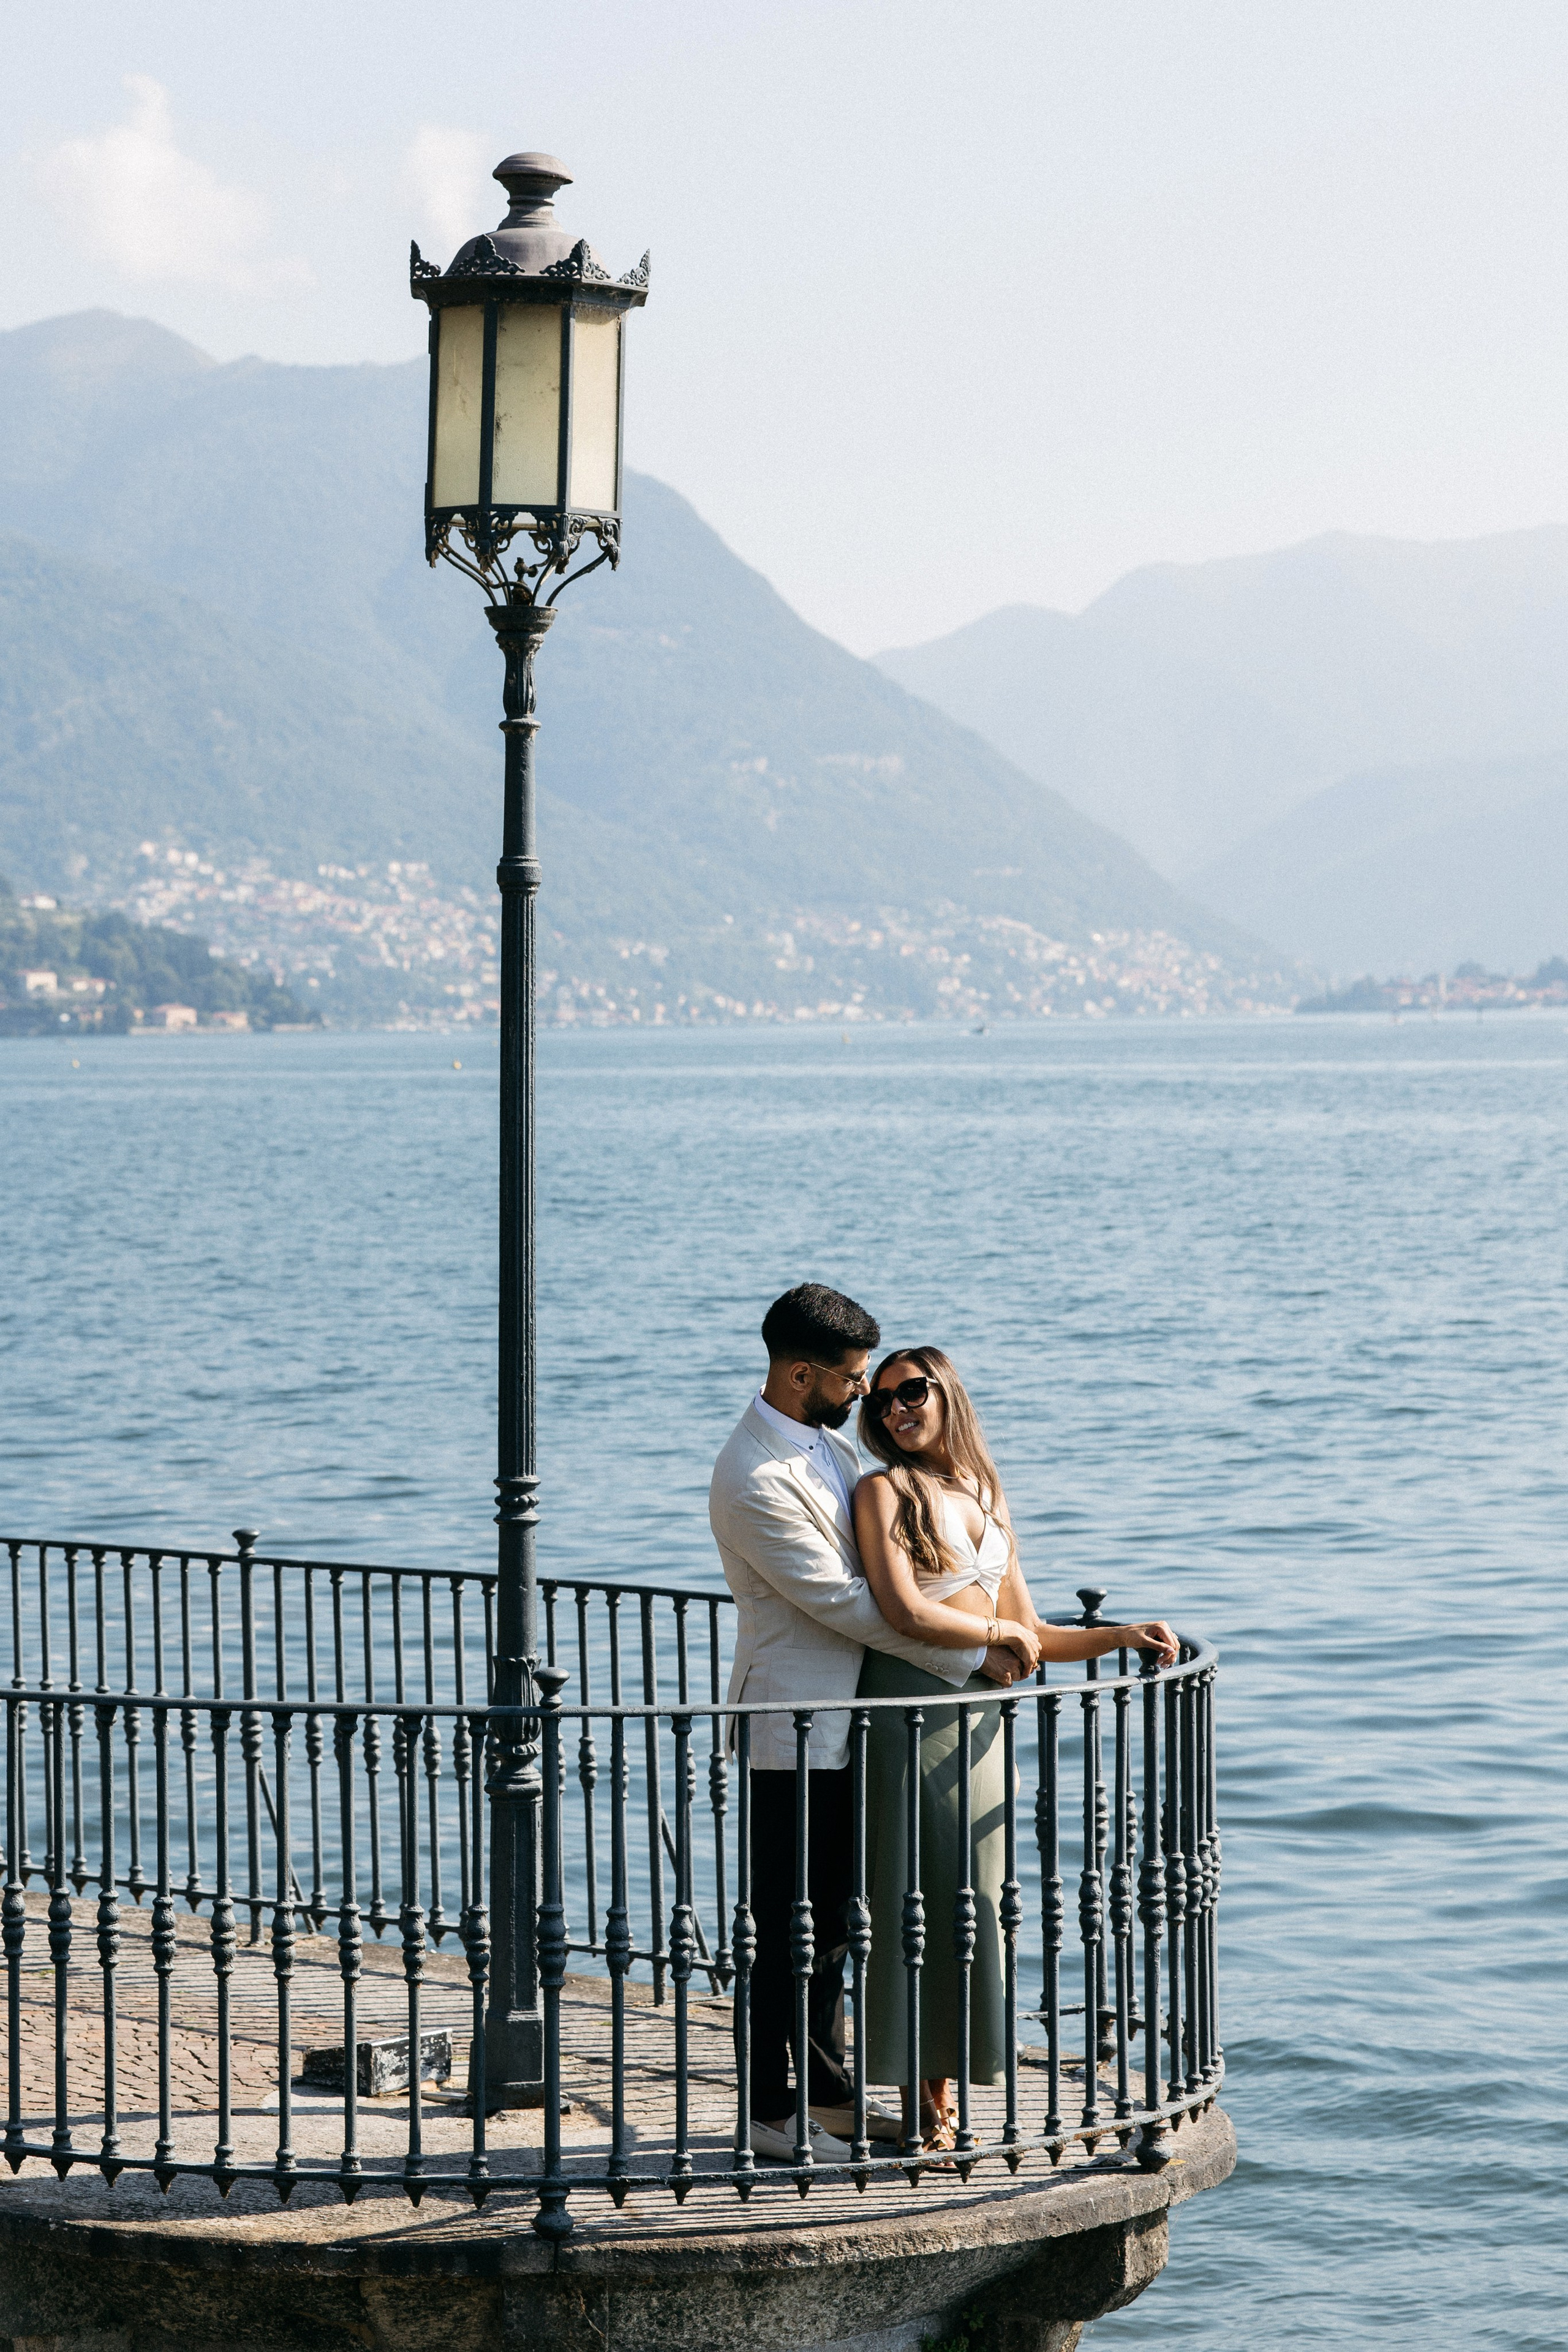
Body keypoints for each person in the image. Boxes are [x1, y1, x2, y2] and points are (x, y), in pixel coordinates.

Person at [709, 1287, 1038, 2165]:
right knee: (783, 1925)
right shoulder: (752, 1475)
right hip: (796, 1724)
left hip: (859, 1722)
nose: (866, 1396)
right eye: (854, 1379)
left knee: (834, 1924)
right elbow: (850, 1604)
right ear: (801, 1371)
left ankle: (829, 2094)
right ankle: (770, 2112)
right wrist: (982, 1648)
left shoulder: (829, 1450)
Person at [854, 1346, 1178, 2149]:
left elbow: (1031, 1630)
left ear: (947, 1394)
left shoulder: (984, 1495)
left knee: (973, 1908)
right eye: (883, 1399)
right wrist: (996, 1633)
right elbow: (902, 1612)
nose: (898, 1408)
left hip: (981, 1729)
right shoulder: (882, 1492)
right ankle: (918, 2104)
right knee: (911, 1903)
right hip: (910, 1717)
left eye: (914, 1391)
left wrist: (1119, 1634)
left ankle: (950, 2094)